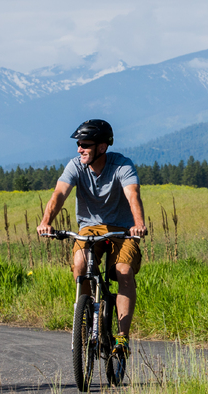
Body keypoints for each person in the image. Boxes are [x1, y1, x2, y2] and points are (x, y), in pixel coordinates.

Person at [37, 119, 147, 355]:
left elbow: (133, 196)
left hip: (123, 228)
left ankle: (122, 338)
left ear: (102, 147)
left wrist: (138, 224)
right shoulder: (76, 166)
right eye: (78, 144)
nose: (79, 149)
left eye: (85, 144)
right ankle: (84, 322)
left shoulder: (122, 166)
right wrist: (46, 222)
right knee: (79, 264)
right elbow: (59, 194)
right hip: (89, 228)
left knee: (124, 271)